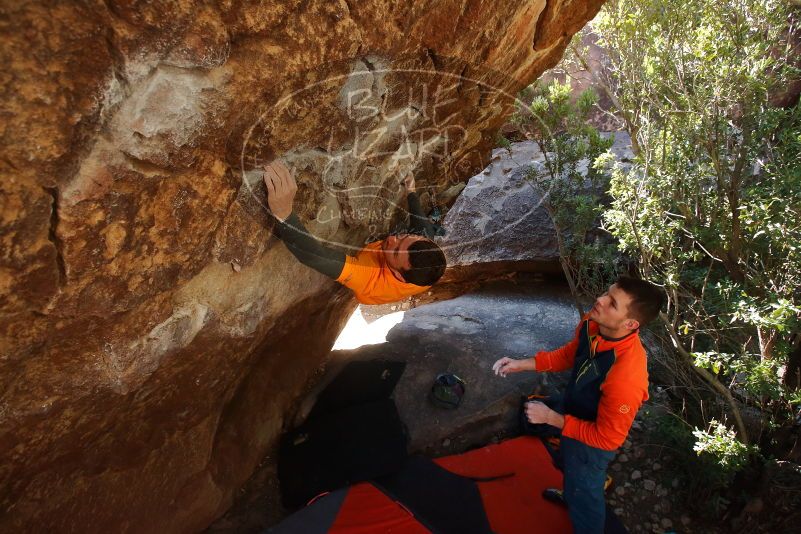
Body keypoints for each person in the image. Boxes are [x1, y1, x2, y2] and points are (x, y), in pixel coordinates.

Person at [492, 277, 666, 533]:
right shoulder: (593, 322)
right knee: (566, 463)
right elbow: (571, 354)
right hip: (576, 409)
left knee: (585, 495)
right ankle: (575, 490)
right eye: (606, 293)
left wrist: (551, 418)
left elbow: (607, 439)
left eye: (612, 303)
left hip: (593, 442)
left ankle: (583, 501)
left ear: (630, 324)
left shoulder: (626, 376)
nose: (600, 300)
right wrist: (523, 363)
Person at [263, 160, 446, 305]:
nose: (391, 239)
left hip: (370, 288)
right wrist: (411, 191)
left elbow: (314, 257)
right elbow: (422, 224)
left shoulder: (370, 279)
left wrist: (284, 213)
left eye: (396, 251)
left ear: (398, 275)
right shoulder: (424, 251)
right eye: (404, 237)